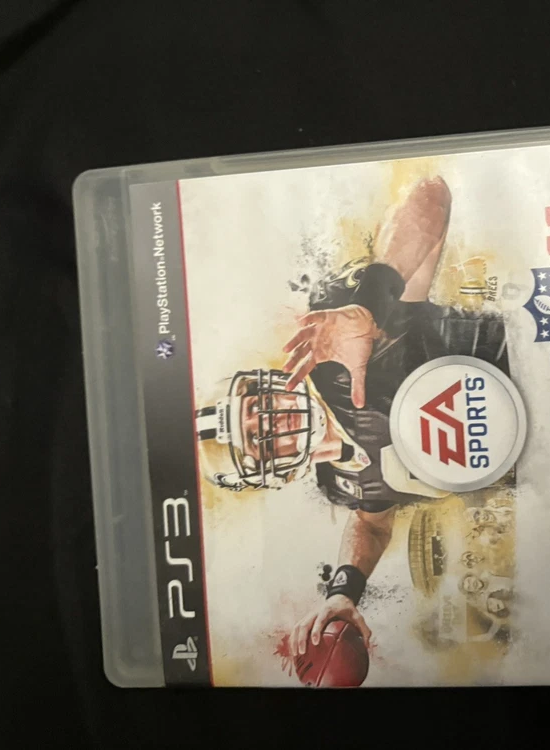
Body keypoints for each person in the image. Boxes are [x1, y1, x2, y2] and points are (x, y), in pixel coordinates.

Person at [195, 176, 512, 656]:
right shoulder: (339, 482)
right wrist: (343, 592)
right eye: (260, 440)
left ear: (264, 386)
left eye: (258, 410)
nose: (275, 423)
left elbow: (430, 193)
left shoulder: (337, 356)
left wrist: (367, 306)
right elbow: (372, 523)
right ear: (274, 473)